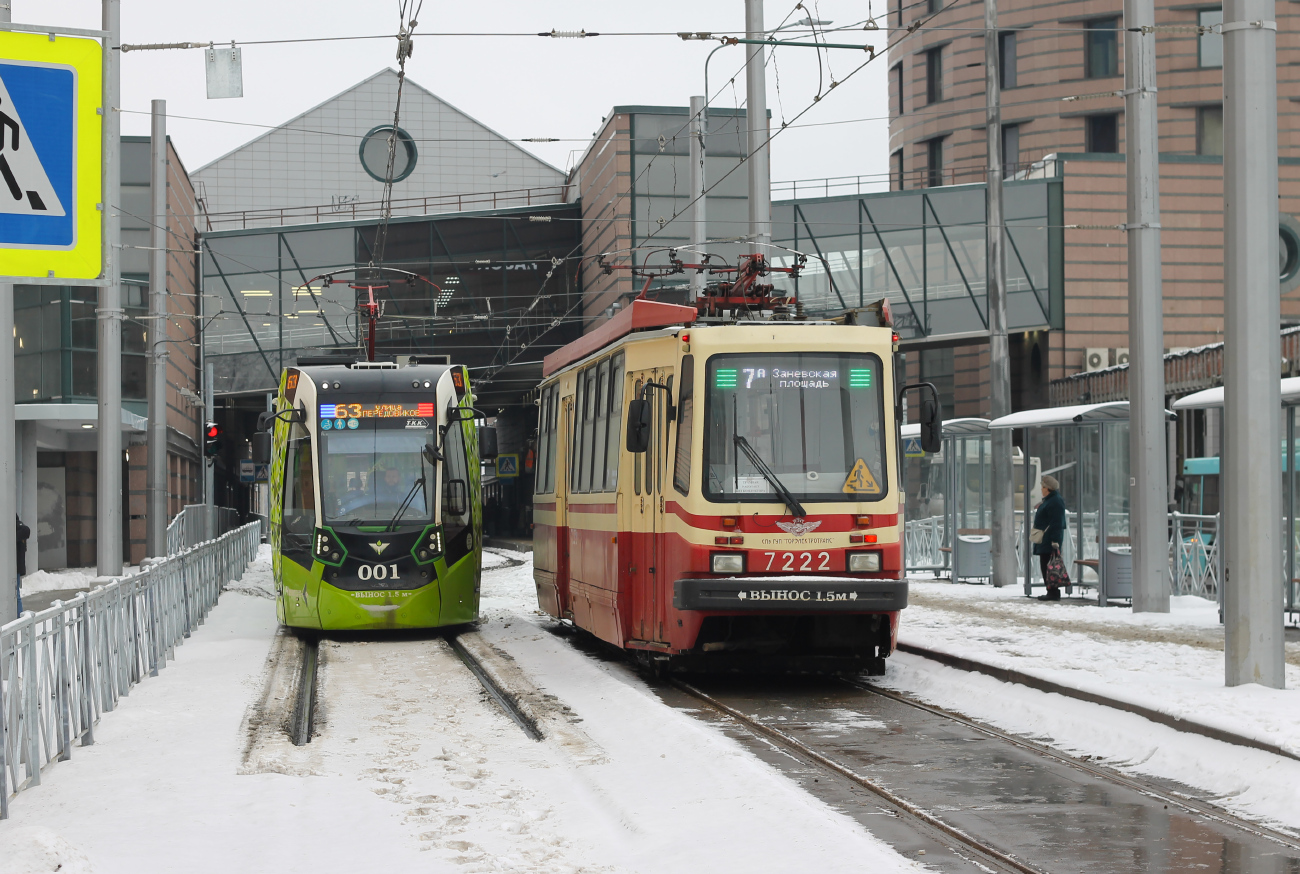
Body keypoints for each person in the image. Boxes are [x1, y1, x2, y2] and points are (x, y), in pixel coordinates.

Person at [1032, 475, 1067, 601]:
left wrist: (1055, 541)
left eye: (1042, 487)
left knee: (1048, 565)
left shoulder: (1055, 501)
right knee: (1046, 565)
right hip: (1046, 539)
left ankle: (1053, 592)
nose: (1041, 489)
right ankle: (1051, 591)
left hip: (1050, 540)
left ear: (1048, 488)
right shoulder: (1051, 500)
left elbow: (1057, 522)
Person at [15, 514, 29, 615]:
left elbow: (26, 530)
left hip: (15, 568)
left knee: (16, 594)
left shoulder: (18, 527)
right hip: (15, 567)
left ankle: (19, 617)